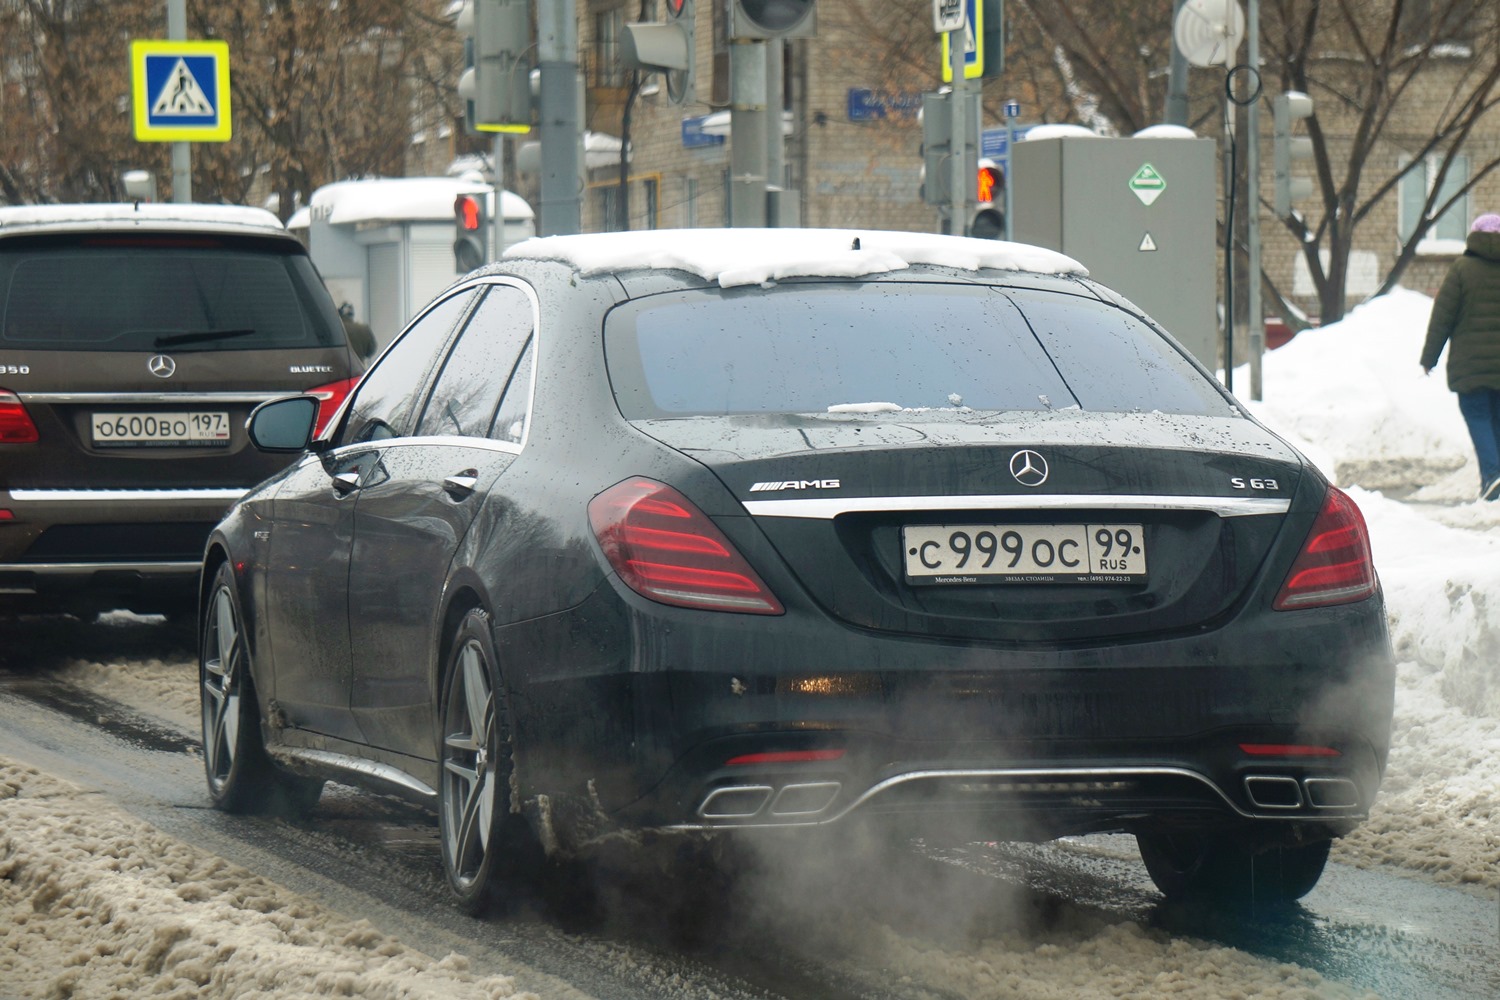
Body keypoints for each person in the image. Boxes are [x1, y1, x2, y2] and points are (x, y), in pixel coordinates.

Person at [1421, 212, 1500, 501]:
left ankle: (1493, 478)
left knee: (1478, 417)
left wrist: (1429, 358)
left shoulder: (1461, 269)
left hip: (1471, 367)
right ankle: (1494, 479)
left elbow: (1443, 318)